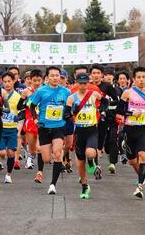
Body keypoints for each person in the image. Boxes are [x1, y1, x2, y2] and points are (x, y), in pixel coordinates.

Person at [28, 66, 71, 195]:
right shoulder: (41, 91)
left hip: (59, 126)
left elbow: (70, 106)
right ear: (47, 78)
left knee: (57, 154)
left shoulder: (66, 92)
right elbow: (32, 106)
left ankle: (53, 184)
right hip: (44, 127)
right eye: (52, 75)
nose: (55, 78)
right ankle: (50, 162)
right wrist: (35, 120)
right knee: (46, 158)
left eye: (57, 75)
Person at [116, 67, 145, 199]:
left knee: (143, 155)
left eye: (143, 77)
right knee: (132, 161)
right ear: (134, 79)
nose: (141, 80)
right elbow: (119, 112)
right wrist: (132, 113)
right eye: (138, 77)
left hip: (143, 129)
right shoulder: (127, 93)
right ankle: (140, 175)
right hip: (129, 130)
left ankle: (139, 186)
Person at [66, 72, 102, 199]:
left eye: (85, 83)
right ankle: (85, 186)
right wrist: (73, 113)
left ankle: (92, 162)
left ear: (88, 83)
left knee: (90, 153)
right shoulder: (71, 98)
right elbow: (66, 116)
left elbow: (106, 102)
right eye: (80, 83)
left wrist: (101, 111)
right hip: (79, 132)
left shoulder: (93, 95)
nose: (82, 86)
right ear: (76, 83)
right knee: (80, 163)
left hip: (92, 130)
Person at [0, 72, 26, 184]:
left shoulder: (18, 97)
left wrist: (18, 130)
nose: (7, 84)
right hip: (0, 128)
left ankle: (8, 174)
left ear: (13, 81)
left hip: (12, 129)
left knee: (10, 153)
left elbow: (22, 114)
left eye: (9, 81)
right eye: (5, 82)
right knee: (1, 153)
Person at [22, 70, 43, 181]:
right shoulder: (26, 91)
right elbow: (19, 105)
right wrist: (25, 103)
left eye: (39, 80)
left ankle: (40, 171)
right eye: (34, 80)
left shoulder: (45, 90)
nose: (36, 82)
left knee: (39, 147)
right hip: (30, 120)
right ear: (30, 80)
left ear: (42, 80)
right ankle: (30, 157)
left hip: (42, 120)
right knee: (33, 148)